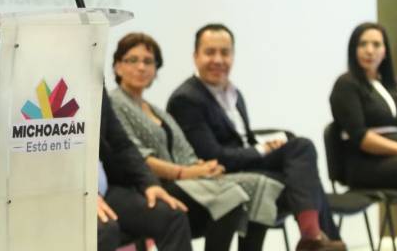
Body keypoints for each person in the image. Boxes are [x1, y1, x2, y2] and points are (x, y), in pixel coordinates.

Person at [168, 24, 345, 251]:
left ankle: (314, 239)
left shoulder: (234, 94)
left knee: (300, 159)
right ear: (195, 56)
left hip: (245, 167)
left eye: (225, 52)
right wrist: (262, 150)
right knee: (302, 161)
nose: (218, 60)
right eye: (210, 52)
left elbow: (244, 140)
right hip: (218, 175)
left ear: (233, 55)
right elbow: (212, 156)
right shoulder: (186, 99)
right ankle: (315, 238)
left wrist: (268, 144)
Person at [109, 32, 285, 251]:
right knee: (230, 198)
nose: (141, 67)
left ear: (156, 69)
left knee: (261, 186)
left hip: (182, 179)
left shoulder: (154, 109)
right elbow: (136, 156)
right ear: (117, 67)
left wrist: (203, 167)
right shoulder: (114, 102)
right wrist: (186, 172)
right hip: (149, 185)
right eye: (132, 60)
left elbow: (184, 149)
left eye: (148, 61)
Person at [99, 89, 194, 251]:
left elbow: (121, 144)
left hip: (105, 189)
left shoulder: (95, 82)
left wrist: (149, 183)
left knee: (172, 215)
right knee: (105, 229)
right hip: (69, 191)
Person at [329, 22, 397, 194]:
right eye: (363, 44)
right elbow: (362, 138)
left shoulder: (388, 87)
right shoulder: (346, 84)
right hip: (366, 163)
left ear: (385, 51)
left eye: (376, 45)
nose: (369, 50)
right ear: (353, 49)